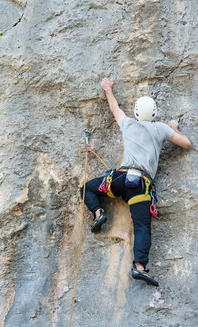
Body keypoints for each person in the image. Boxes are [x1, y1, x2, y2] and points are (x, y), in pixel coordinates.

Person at [81, 77, 191, 286]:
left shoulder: (128, 123)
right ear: (155, 113)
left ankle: (98, 213)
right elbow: (186, 144)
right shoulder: (160, 129)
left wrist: (108, 89)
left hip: (120, 179)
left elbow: (115, 108)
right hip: (140, 185)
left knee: (87, 188)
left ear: (137, 112)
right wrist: (173, 127)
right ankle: (139, 267)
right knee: (142, 226)